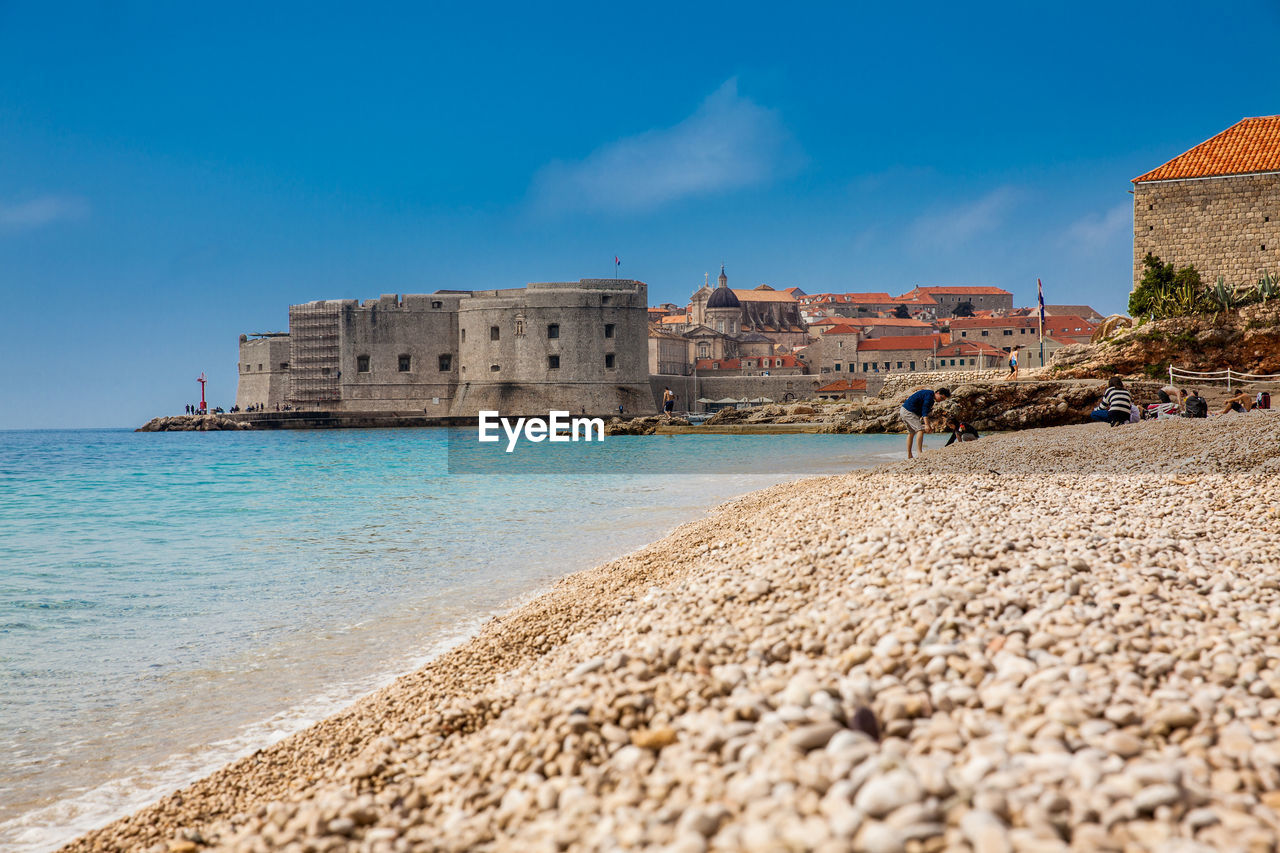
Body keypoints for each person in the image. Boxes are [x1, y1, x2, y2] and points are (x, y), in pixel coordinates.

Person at [899, 387, 951, 459]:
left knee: (911, 433)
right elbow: (924, 411)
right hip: (909, 411)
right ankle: (919, 452)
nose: (940, 400)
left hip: (904, 410)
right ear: (938, 393)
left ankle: (909, 455)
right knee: (920, 430)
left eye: (943, 400)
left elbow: (924, 412)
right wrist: (926, 425)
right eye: (941, 398)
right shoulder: (929, 396)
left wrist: (928, 425)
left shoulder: (929, 395)